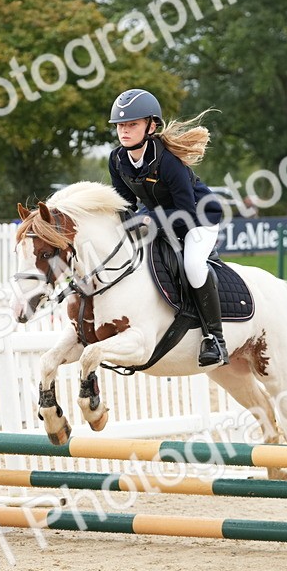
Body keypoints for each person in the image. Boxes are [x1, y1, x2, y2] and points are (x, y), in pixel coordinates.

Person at [107, 88, 228, 366]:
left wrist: (150, 220)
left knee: (193, 266)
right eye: (120, 125)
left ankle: (215, 339)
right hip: (158, 217)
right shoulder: (117, 159)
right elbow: (125, 203)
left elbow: (185, 212)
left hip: (198, 219)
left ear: (151, 126)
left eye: (132, 124)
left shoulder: (169, 162)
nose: (124, 131)